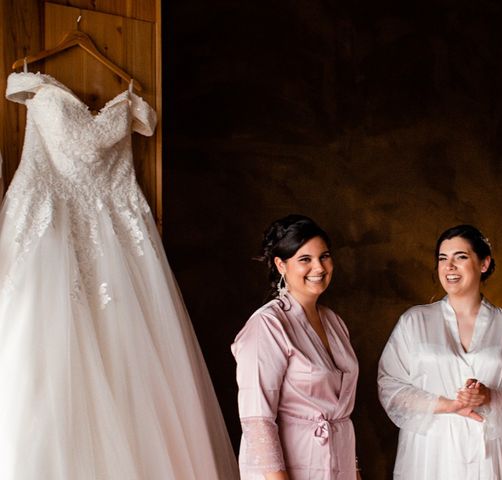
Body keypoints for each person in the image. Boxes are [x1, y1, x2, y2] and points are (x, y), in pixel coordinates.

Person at [0, 71, 239, 478]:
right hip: (65, 236)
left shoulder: (49, 92)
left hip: (108, 238)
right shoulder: (42, 92)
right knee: (45, 365)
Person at [378, 224, 502, 479]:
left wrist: (489, 396)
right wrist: (449, 405)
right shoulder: (414, 321)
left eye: (460, 257)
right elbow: (390, 384)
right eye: (443, 258)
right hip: (428, 450)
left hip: (485, 452)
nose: (449, 266)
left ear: (484, 263)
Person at [232, 214, 360, 480]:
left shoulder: (334, 322)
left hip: (339, 466)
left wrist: (354, 471)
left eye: (324, 256)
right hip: (289, 469)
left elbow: (339, 416)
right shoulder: (267, 325)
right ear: (281, 265)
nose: (319, 267)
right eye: (305, 259)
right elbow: (258, 421)